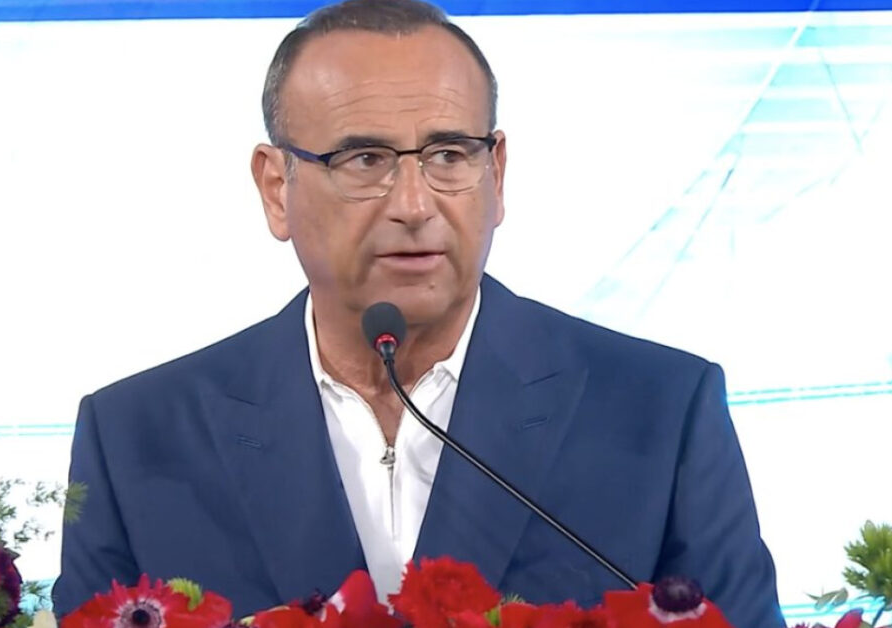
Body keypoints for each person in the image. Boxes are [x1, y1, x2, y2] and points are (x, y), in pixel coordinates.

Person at [52, 0, 784, 626]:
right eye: (364, 160)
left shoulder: (661, 411)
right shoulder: (136, 439)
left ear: (496, 173)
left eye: (449, 155)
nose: (413, 204)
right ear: (277, 187)